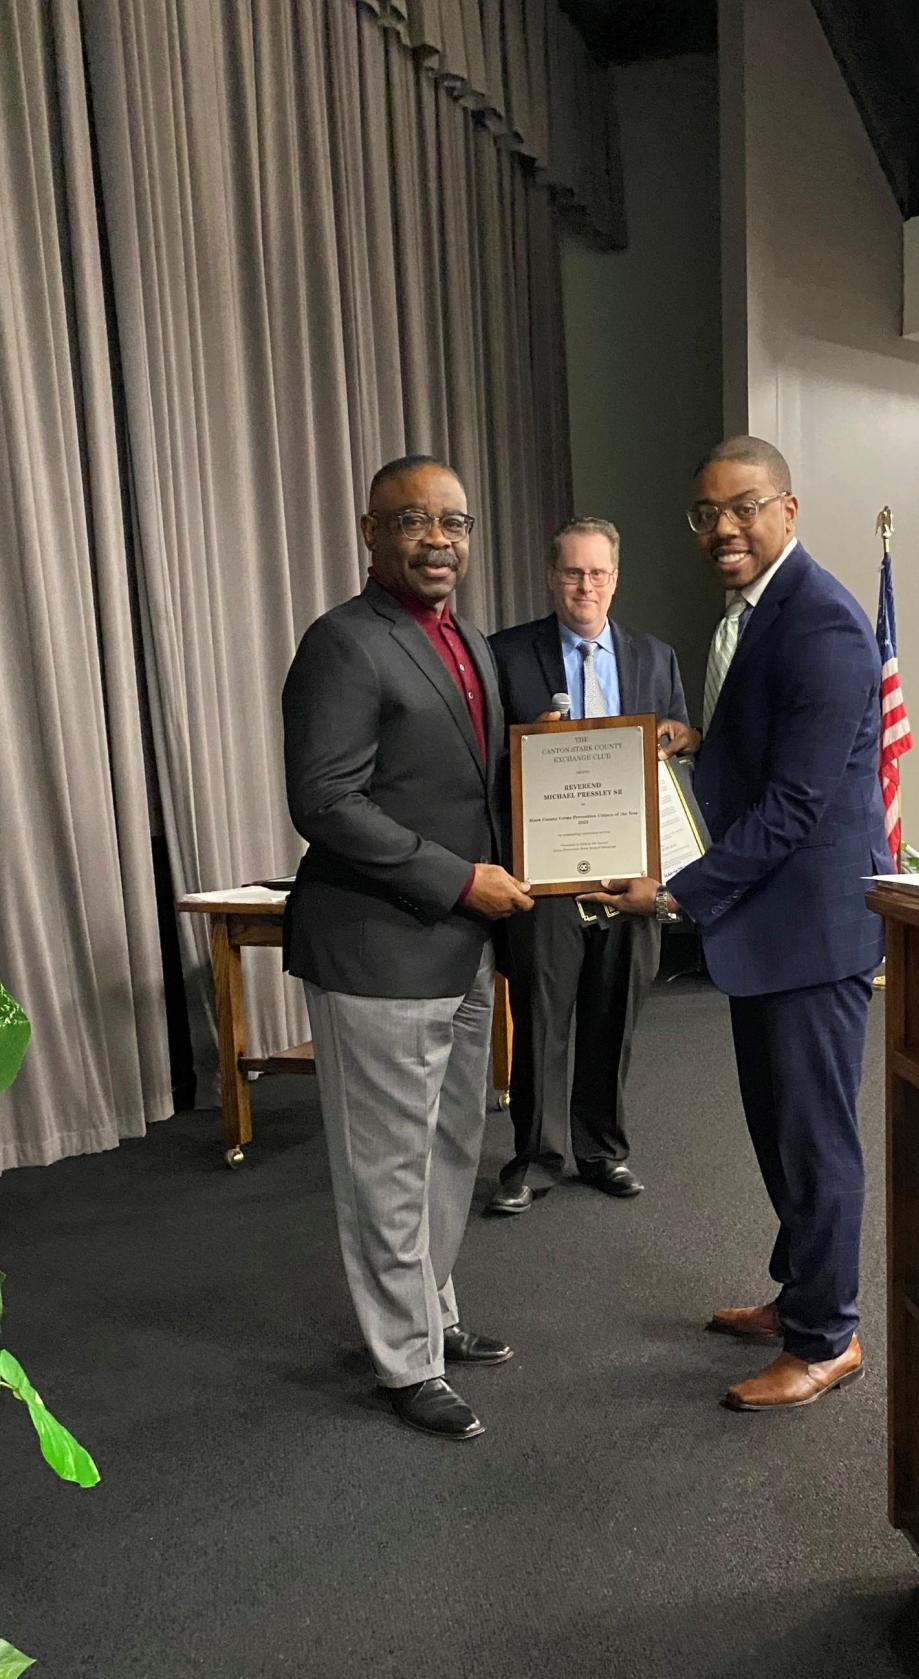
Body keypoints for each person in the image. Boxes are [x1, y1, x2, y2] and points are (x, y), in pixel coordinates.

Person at [585, 438, 890, 1412]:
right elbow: (774, 752)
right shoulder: (755, 616)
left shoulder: (825, 622)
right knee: (776, 1128)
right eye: (706, 512)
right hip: (773, 925)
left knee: (815, 1138)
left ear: (788, 509)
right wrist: (701, 743)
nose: (723, 526)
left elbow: (798, 803)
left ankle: (828, 1335)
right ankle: (801, 1292)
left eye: (744, 507)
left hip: (814, 929)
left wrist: (674, 893)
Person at [282, 453, 534, 1442]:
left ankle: (434, 1311)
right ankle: (405, 1360)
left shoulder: (466, 637)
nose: (440, 539)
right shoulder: (345, 643)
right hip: (380, 944)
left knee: (449, 1145)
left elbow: (468, 782)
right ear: (370, 532)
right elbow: (325, 800)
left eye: (456, 522)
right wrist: (457, 877)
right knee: (388, 1161)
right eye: (414, 521)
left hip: (463, 943)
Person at [486, 517, 696, 1214]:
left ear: (616, 577)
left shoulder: (655, 657)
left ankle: (602, 1150)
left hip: (632, 877)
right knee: (542, 1015)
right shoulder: (505, 656)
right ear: (551, 577)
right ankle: (536, 1158)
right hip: (545, 875)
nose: (585, 585)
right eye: (573, 572)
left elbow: (682, 747)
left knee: (614, 1016)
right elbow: (481, 764)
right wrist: (523, 754)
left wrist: (681, 737)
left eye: (598, 572)